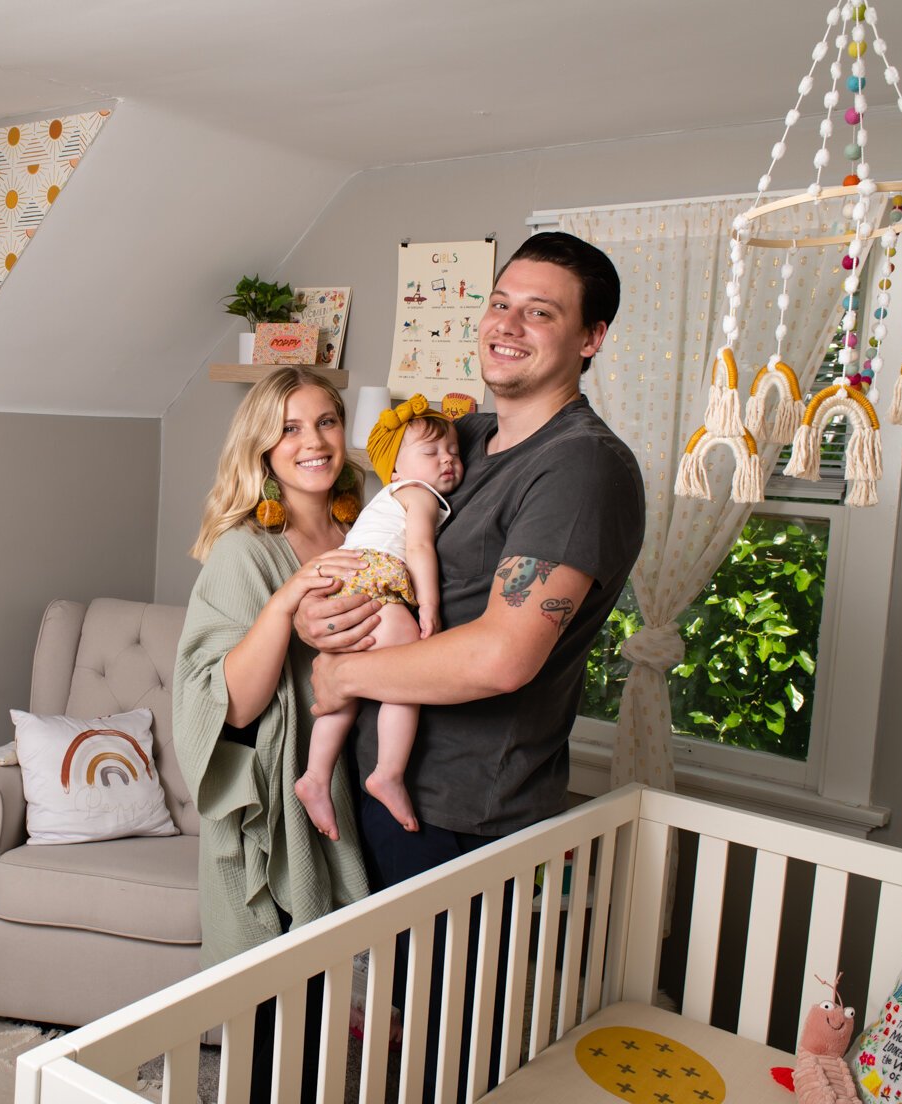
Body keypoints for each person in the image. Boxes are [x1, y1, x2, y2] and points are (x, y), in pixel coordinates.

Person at [300, 231, 646, 1095]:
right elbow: (378, 535)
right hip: (376, 771)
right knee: (372, 1019)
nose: (508, 325)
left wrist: (343, 676)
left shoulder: (580, 470)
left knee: (446, 1046)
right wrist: (315, 607)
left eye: (542, 313)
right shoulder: (465, 436)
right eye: (501, 302)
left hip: (456, 807)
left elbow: (501, 655)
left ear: (590, 338)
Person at [173, 366, 371, 1101]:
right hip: (280, 798)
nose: (313, 442)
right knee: (275, 1001)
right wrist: (287, 601)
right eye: (289, 428)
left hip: (358, 779)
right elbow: (232, 704)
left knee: (326, 998)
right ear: (262, 448)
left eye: (325, 421)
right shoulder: (244, 551)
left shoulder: (364, 523)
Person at [293, 394, 462, 841]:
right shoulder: (417, 493)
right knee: (405, 674)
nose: (446, 461)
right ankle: (388, 771)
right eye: (430, 453)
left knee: (347, 688)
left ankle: (314, 776)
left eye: (453, 453)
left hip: (342, 583)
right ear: (397, 471)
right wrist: (429, 607)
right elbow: (421, 548)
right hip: (374, 580)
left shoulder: (385, 498)